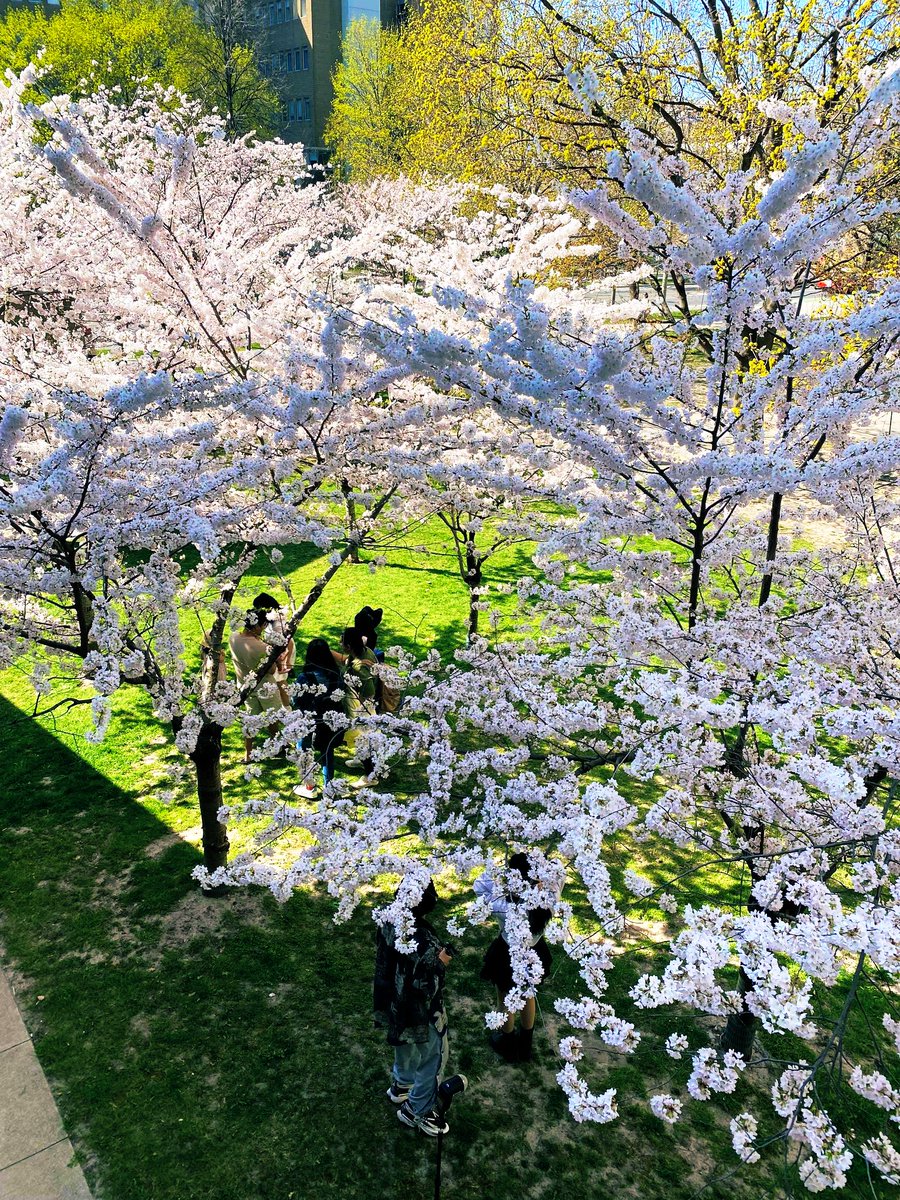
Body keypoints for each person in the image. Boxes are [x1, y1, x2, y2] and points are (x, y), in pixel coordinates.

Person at [374, 880, 454, 1137]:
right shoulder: (425, 942)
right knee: (434, 1056)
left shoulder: (387, 918)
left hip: (394, 1002)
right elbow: (425, 986)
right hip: (422, 1011)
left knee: (404, 1043)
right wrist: (440, 963)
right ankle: (417, 1109)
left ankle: (401, 1085)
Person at [475, 852, 553, 1063]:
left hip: (506, 954)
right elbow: (559, 875)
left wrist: (496, 870)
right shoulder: (548, 900)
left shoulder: (502, 906)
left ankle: (507, 1042)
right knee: (528, 996)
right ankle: (525, 1044)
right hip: (535, 952)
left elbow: (479, 886)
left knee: (506, 1000)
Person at [229, 605, 288, 763]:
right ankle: (279, 742)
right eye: (262, 626)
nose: (263, 629)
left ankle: (248, 754)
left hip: (245, 686)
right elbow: (272, 670)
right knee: (274, 715)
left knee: (250, 720)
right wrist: (277, 659)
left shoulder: (233, 637)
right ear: (256, 625)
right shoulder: (262, 648)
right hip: (265, 687)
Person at [291, 637, 346, 797]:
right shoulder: (337, 675)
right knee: (327, 753)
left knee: (304, 751)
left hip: (308, 721)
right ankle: (329, 788)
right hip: (330, 721)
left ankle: (309, 786)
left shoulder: (305, 678)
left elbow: (296, 700)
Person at [341, 625, 378, 785]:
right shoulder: (365, 651)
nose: (339, 643)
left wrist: (360, 705)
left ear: (349, 646)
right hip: (364, 705)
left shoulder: (359, 665)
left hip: (362, 707)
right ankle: (361, 760)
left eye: (342, 641)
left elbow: (368, 690)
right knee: (364, 739)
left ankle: (370, 776)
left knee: (362, 739)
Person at [253, 592, 296, 706]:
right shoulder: (272, 617)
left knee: (280, 680)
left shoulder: (277, 622)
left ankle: (287, 706)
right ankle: (285, 705)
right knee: (278, 680)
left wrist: (285, 662)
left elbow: (288, 641)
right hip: (277, 650)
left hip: (283, 651)